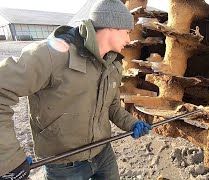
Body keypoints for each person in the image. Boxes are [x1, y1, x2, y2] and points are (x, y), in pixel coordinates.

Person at [0, 0, 152, 179]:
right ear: (111, 27)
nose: (128, 39)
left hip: (104, 154)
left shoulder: (114, 65)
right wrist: (9, 159)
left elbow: (111, 106)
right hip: (64, 165)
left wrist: (131, 123)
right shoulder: (50, 55)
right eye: (127, 32)